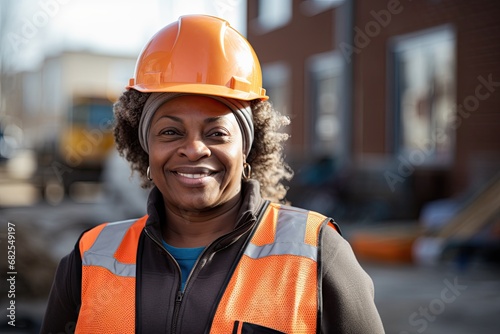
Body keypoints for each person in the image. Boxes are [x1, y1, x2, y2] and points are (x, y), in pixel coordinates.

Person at [41, 14, 385, 333]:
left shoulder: (319, 253)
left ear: (248, 148)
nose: (194, 149)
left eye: (216, 133)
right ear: (144, 146)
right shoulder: (89, 258)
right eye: (170, 132)